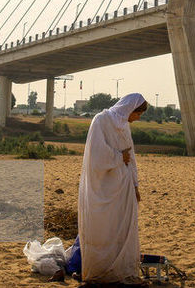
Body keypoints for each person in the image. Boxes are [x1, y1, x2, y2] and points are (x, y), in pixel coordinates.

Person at [78, 93, 148, 285]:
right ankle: (101, 270)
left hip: (123, 187)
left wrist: (135, 185)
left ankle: (119, 269)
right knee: (103, 228)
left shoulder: (124, 125)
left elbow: (131, 157)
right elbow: (96, 153)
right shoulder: (101, 120)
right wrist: (118, 157)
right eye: (138, 114)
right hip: (103, 187)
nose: (138, 118)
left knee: (122, 228)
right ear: (130, 109)